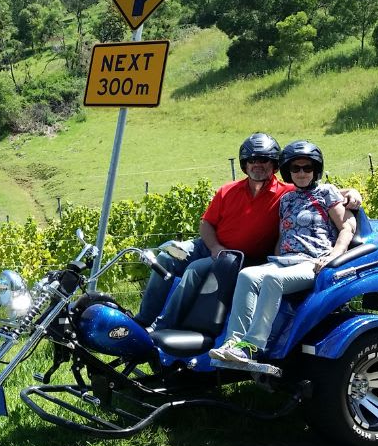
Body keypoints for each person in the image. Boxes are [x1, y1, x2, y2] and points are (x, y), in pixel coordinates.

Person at [133, 133, 361, 328]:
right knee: (165, 257)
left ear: (274, 165)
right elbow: (206, 224)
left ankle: (163, 327)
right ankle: (142, 322)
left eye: (264, 160)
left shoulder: (286, 193)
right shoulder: (227, 190)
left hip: (239, 257)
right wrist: (214, 247)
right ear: (244, 163)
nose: (258, 165)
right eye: (252, 160)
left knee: (195, 269)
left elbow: (316, 190)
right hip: (210, 246)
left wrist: (351, 192)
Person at [210, 140, 356, 364]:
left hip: (313, 262)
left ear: (316, 170)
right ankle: (233, 343)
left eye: (307, 168)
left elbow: (348, 226)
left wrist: (335, 254)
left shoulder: (327, 193)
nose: (301, 172)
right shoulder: (286, 200)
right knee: (247, 274)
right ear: (288, 171)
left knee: (272, 279)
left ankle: (252, 347)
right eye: (295, 168)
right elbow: (282, 236)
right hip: (284, 260)